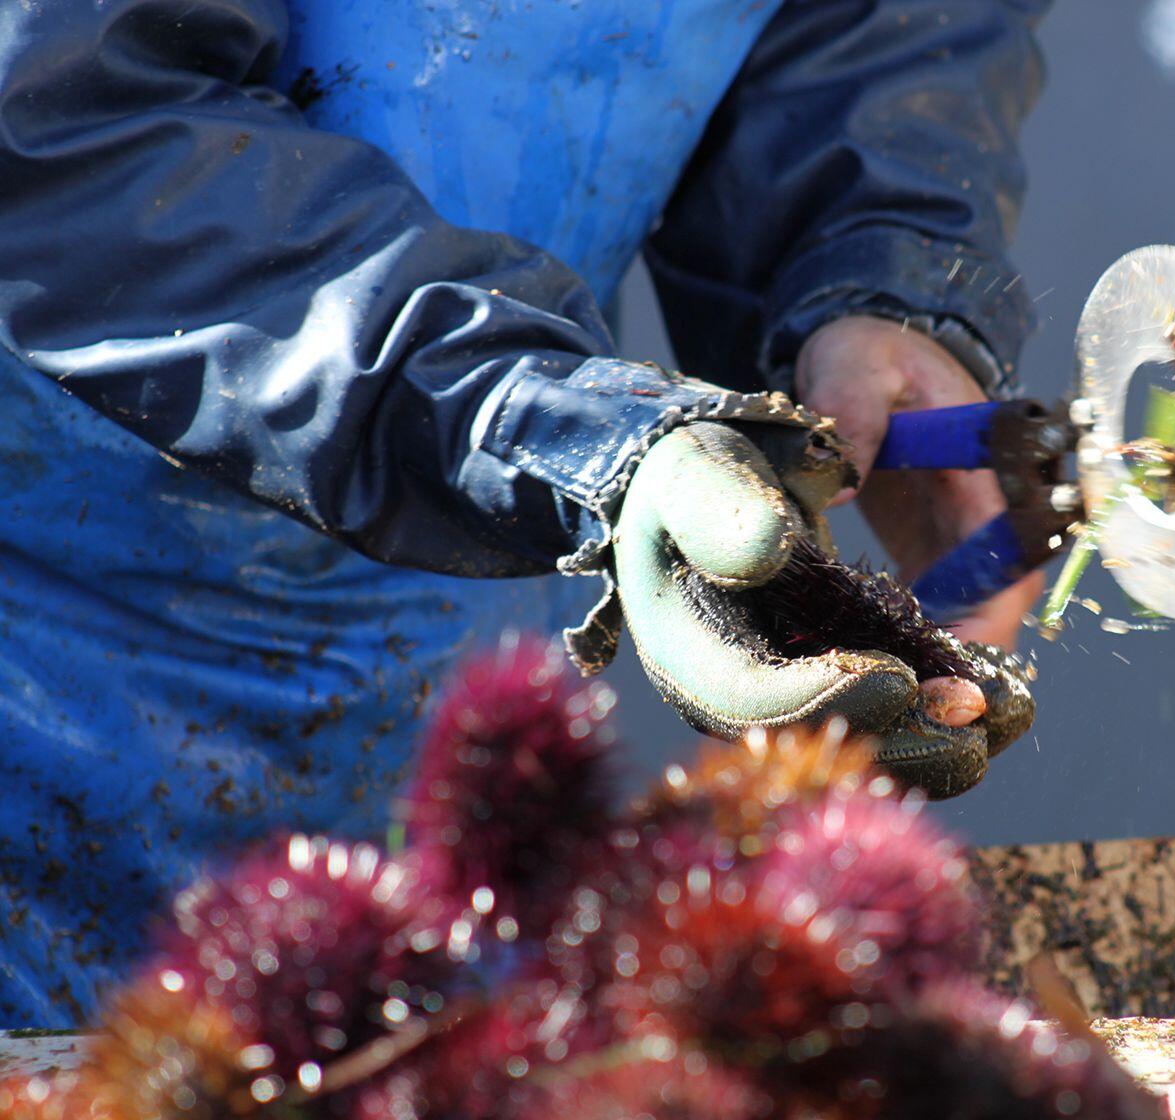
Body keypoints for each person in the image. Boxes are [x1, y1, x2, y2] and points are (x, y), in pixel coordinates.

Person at [0, 0, 1049, 1026]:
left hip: (470, 603)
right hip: (46, 663)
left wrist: (872, 276)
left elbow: (861, 33)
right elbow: (72, 126)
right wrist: (533, 417)